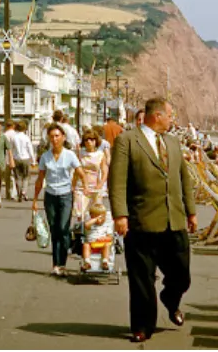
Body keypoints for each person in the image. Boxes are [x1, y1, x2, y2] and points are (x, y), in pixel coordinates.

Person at [109, 97, 197, 343]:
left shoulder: (173, 142)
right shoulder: (127, 140)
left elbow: (184, 180)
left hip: (174, 219)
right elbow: (116, 181)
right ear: (157, 115)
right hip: (141, 220)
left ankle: (170, 299)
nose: (172, 120)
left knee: (182, 274)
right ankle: (142, 326)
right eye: (170, 115)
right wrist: (120, 215)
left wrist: (191, 212)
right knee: (141, 278)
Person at [31, 124, 87, 277]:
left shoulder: (70, 155)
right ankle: (56, 265)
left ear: (63, 138)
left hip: (66, 195)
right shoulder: (45, 157)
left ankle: (62, 261)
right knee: (54, 230)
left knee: (63, 229)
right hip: (50, 195)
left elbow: (80, 172)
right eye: (52, 137)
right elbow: (40, 178)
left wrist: (86, 187)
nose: (54, 139)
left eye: (57, 136)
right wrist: (35, 199)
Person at [81, 201, 114, 272]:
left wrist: (105, 238)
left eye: (103, 217)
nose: (101, 219)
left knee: (107, 246)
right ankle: (87, 262)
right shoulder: (90, 224)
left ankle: (105, 262)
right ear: (92, 216)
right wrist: (95, 220)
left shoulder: (106, 225)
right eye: (97, 217)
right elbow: (86, 225)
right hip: (91, 244)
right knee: (85, 245)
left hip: (102, 244)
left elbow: (110, 237)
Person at [5, 121, 33, 202]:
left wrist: (9, 159)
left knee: (17, 177)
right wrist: (33, 160)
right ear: (24, 128)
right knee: (26, 176)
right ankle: (24, 191)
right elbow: (30, 149)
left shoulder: (14, 137)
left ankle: (19, 192)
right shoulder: (26, 137)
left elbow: (10, 149)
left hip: (16, 158)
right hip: (26, 158)